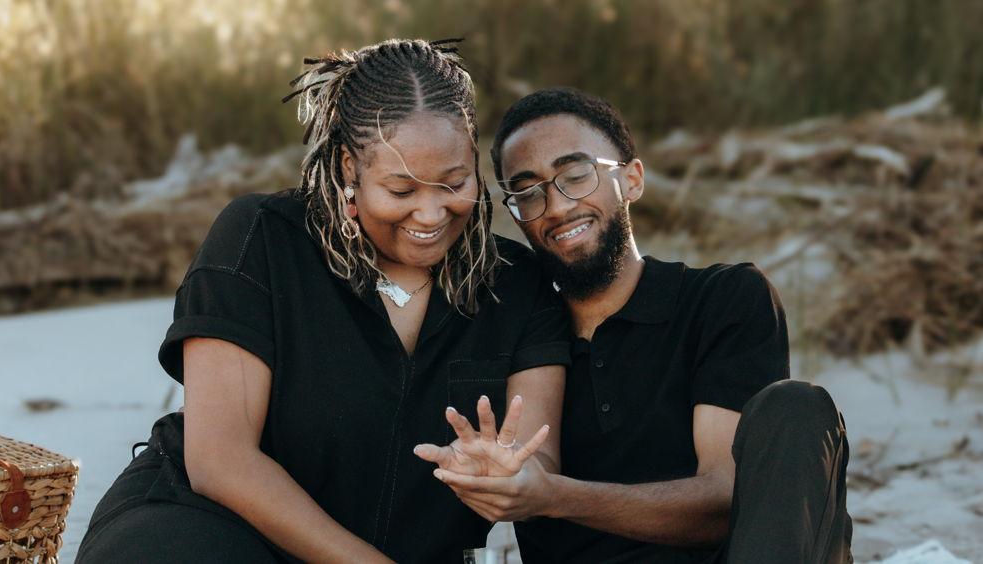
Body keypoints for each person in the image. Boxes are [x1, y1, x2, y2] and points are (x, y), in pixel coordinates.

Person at [75, 39, 569, 563]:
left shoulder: (517, 286)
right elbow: (220, 462)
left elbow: (540, 462)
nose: (430, 214)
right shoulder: (262, 240)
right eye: (401, 191)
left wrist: (512, 478)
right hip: (207, 533)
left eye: (454, 183)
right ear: (348, 169)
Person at [420, 88, 852, 563]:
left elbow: (726, 501)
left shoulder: (723, 299)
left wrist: (553, 495)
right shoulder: (519, 334)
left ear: (632, 180)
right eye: (528, 192)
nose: (556, 207)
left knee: (796, 407)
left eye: (576, 176)